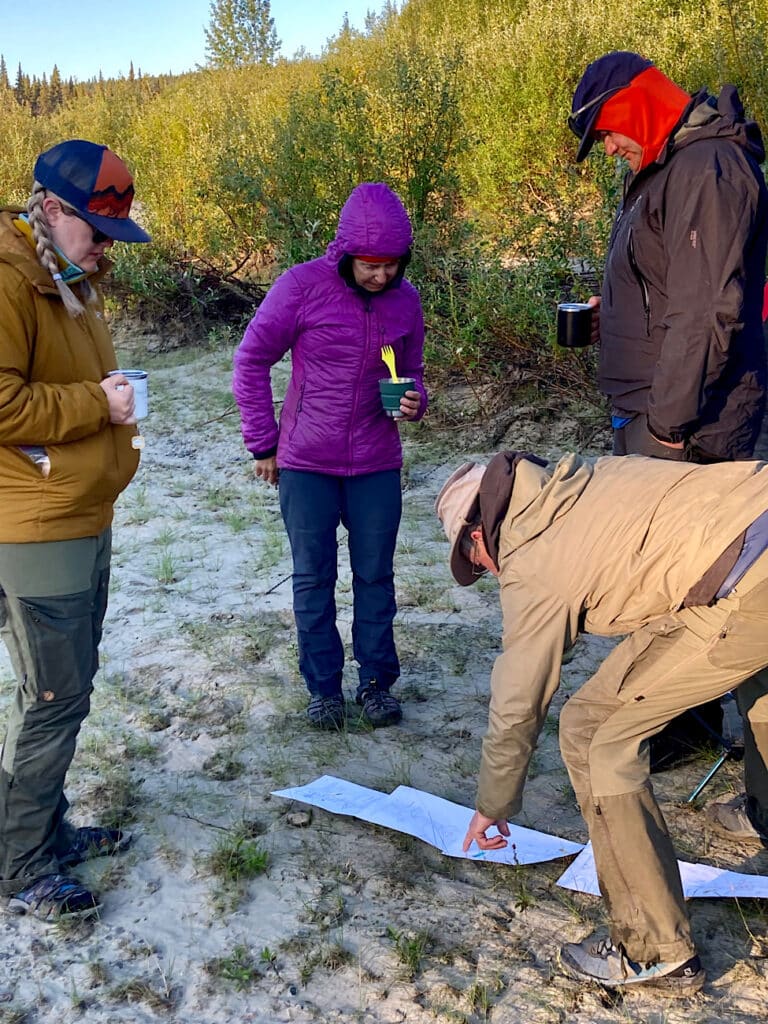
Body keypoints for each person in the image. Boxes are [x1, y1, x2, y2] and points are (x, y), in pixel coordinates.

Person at [435, 450, 768, 993]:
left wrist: (493, 803)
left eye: (474, 564)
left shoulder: (532, 557)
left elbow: (519, 701)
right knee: (762, 675)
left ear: (479, 535)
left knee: (595, 735)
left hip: (750, 582)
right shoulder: (581, 478)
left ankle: (653, 948)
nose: (483, 572)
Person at [569, 50, 768, 793]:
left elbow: (707, 311)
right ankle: (674, 730)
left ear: (635, 105)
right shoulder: (671, 165)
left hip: (688, 422)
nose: (609, 151)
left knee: (697, 585)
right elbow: (668, 287)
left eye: (607, 135)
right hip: (654, 410)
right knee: (659, 582)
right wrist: (613, 313)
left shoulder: (709, 171)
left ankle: (712, 743)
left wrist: (669, 425)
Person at [0, 140, 150, 921]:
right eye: (95, 230)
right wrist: (102, 405)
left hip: (81, 514)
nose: (104, 249)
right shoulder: (8, 281)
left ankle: (45, 829)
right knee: (55, 697)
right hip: (35, 526)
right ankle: (25, 864)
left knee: (60, 690)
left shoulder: (65, 276)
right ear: (51, 210)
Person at [232, 182, 427, 730]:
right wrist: (263, 443)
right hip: (306, 463)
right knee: (313, 578)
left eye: (392, 265)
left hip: (376, 462)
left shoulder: (405, 302)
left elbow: (411, 374)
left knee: (375, 577)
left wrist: (414, 400)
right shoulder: (300, 287)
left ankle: (376, 683)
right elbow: (249, 363)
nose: (381, 276)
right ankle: (323, 689)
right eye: (370, 265)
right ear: (345, 253)